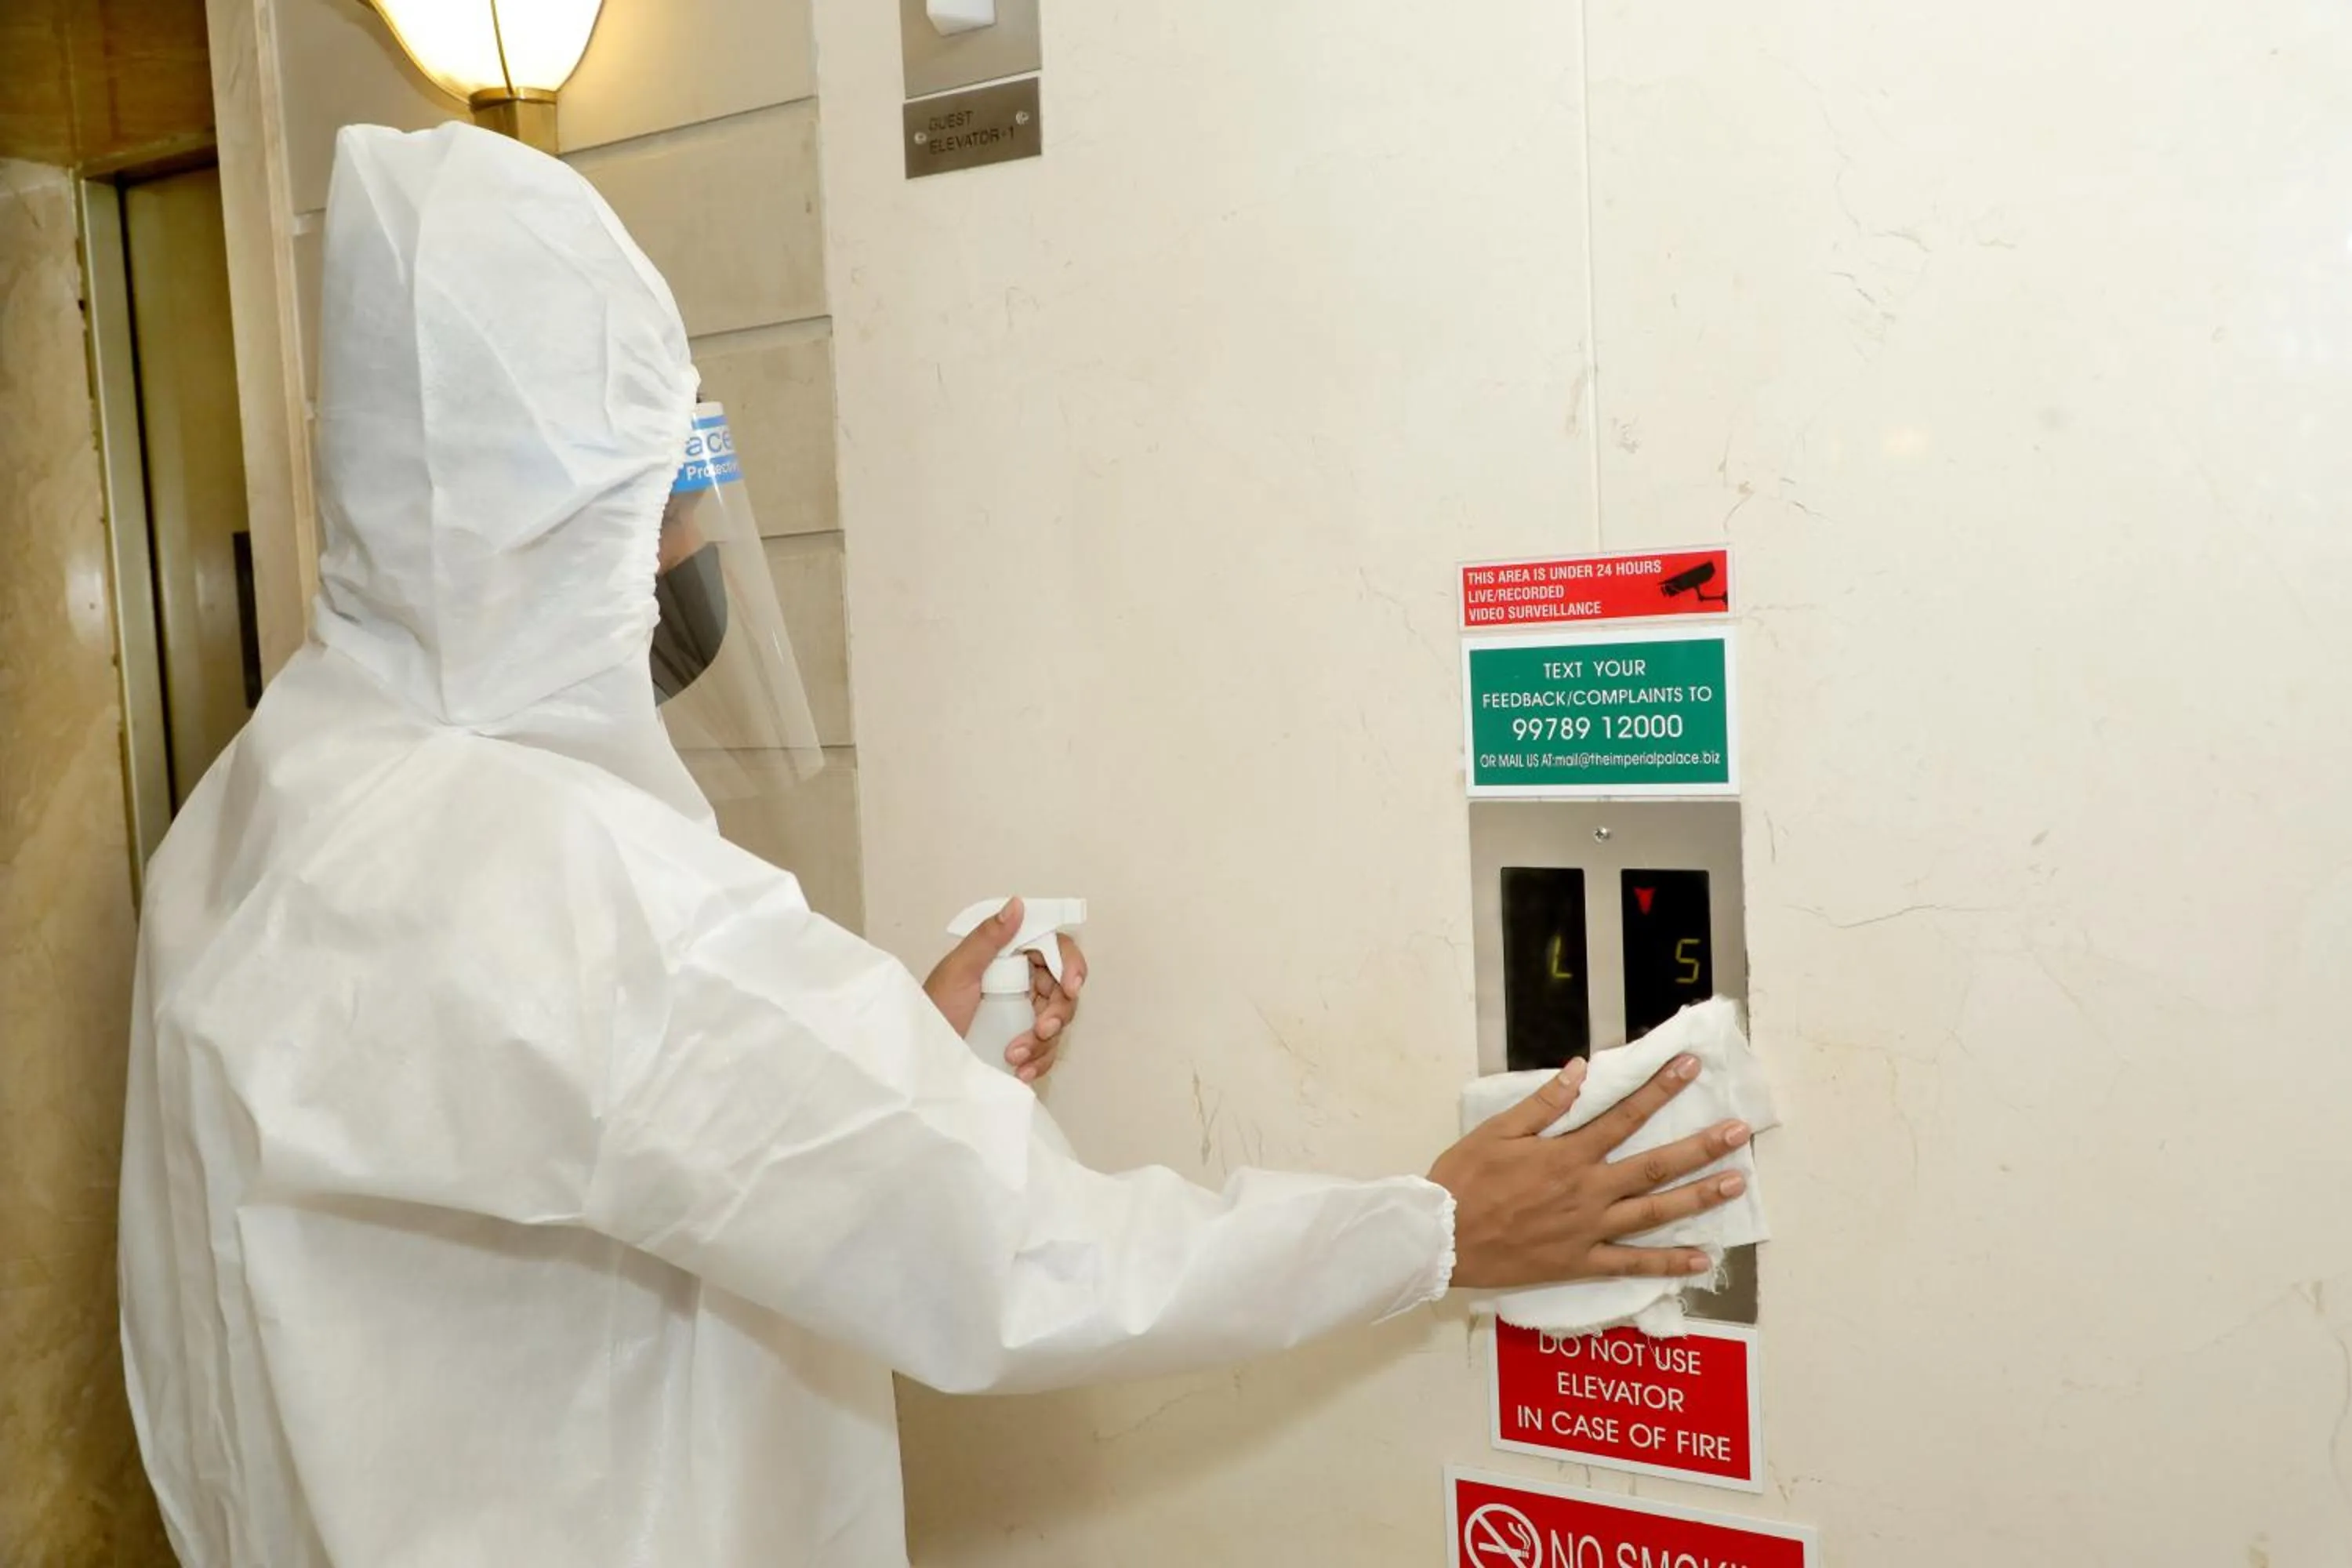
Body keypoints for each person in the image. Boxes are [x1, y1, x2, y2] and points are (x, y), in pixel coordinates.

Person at [117, 122, 1750, 1568]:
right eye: (660, 496)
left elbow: (575, 1133)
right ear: (553, 514)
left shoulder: (259, 807)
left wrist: (867, 1057)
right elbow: (1020, 1261)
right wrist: (1437, 1230)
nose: (684, 548)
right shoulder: (576, 888)